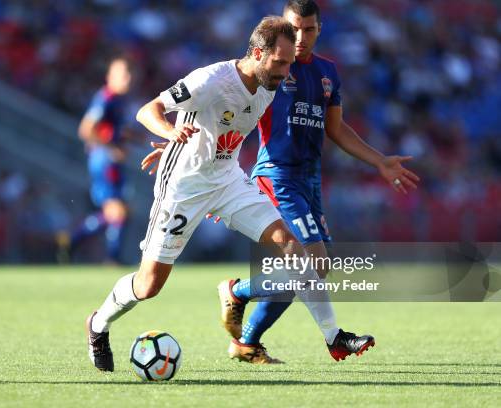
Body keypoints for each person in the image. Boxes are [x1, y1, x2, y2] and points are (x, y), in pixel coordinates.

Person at [142, 0, 418, 364]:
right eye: (294, 29)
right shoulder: (270, 72)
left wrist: (379, 160)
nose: (300, 38)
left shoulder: (327, 74)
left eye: (308, 30)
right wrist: (183, 149)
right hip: (276, 175)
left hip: (309, 178)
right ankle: (247, 299)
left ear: (319, 30)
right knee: (312, 264)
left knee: (308, 268)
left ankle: (246, 334)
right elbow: (223, 110)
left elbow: (336, 129)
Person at [87, 16, 367, 373]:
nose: (287, 70)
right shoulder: (211, 80)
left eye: (289, 62)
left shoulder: (270, 84)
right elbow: (149, 111)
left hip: (228, 179)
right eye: (280, 62)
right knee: (149, 285)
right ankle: (98, 325)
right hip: (184, 187)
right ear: (256, 52)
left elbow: (223, 130)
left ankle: (334, 337)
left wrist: (196, 148)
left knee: (292, 245)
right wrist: (171, 135)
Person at [57, 58, 132, 264]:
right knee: (118, 211)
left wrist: (130, 138)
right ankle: (112, 259)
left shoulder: (118, 100)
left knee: (118, 212)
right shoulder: (105, 98)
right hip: (104, 160)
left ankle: (71, 241)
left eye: (129, 73)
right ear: (110, 77)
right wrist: (111, 148)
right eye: (123, 74)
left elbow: (112, 129)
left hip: (111, 160)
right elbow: (86, 129)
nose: (128, 78)